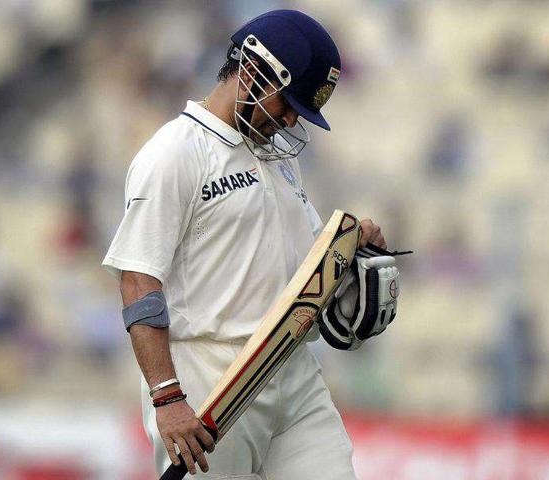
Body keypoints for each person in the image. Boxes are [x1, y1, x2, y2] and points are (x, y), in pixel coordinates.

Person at [103, 10, 391, 479]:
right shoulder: (175, 152)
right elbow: (138, 278)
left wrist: (351, 244)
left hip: (293, 372)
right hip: (210, 382)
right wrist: (167, 396)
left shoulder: (278, 159)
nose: (293, 118)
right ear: (255, 71)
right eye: (289, 101)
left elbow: (303, 268)